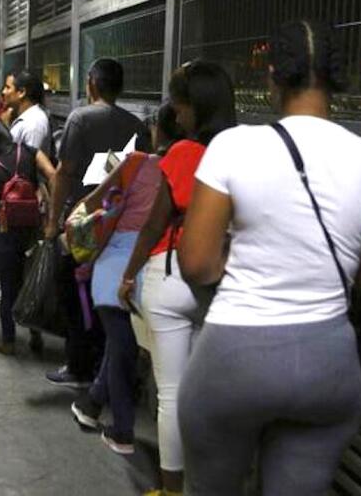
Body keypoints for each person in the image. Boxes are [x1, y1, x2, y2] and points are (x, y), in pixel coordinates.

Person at [176, 21, 361, 495]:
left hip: (234, 358)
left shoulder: (233, 147)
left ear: (271, 78)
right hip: (328, 364)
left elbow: (197, 263)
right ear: (336, 77)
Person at [117, 61, 236, 494]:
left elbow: (154, 222)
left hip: (171, 273)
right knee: (210, 393)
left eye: (180, 105)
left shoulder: (184, 152)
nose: (177, 115)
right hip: (220, 281)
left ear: (195, 106)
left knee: (172, 394)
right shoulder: (239, 151)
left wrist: (128, 273)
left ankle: (170, 489)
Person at [44, 57, 145, 388]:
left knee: (71, 289)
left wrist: (53, 220)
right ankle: (104, 363)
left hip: (82, 220)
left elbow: (65, 172)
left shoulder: (80, 119)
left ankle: (78, 365)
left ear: (91, 83)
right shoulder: (137, 126)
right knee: (107, 294)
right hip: (118, 221)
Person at [69, 141, 164, 456]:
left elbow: (95, 200)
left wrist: (71, 224)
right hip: (156, 267)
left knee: (120, 345)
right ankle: (95, 406)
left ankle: (118, 426)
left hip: (117, 265)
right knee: (120, 343)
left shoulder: (137, 163)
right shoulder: (194, 167)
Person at [0, 120, 55, 355]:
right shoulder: (28, 152)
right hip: (32, 227)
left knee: (8, 287)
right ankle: (36, 334)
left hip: (3, 231)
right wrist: (52, 214)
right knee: (32, 279)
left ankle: (9, 341)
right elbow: (53, 175)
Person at [0, 70, 52, 156]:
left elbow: (28, 163)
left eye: (8, 87)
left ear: (21, 92)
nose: (3, 92)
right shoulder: (23, 118)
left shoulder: (34, 123)